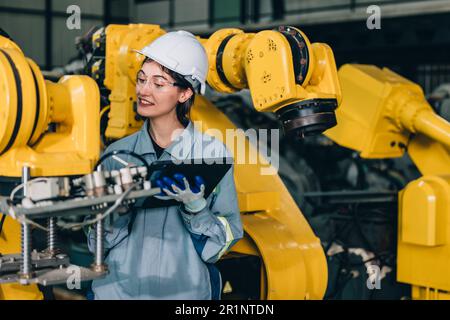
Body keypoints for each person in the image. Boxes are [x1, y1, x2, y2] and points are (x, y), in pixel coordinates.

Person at [86, 31, 243, 300]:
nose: (144, 91)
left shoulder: (210, 155)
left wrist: (197, 209)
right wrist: (119, 211)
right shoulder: (116, 155)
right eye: (142, 79)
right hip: (118, 293)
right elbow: (95, 244)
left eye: (158, 84)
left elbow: (222, 244)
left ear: (184, 93)